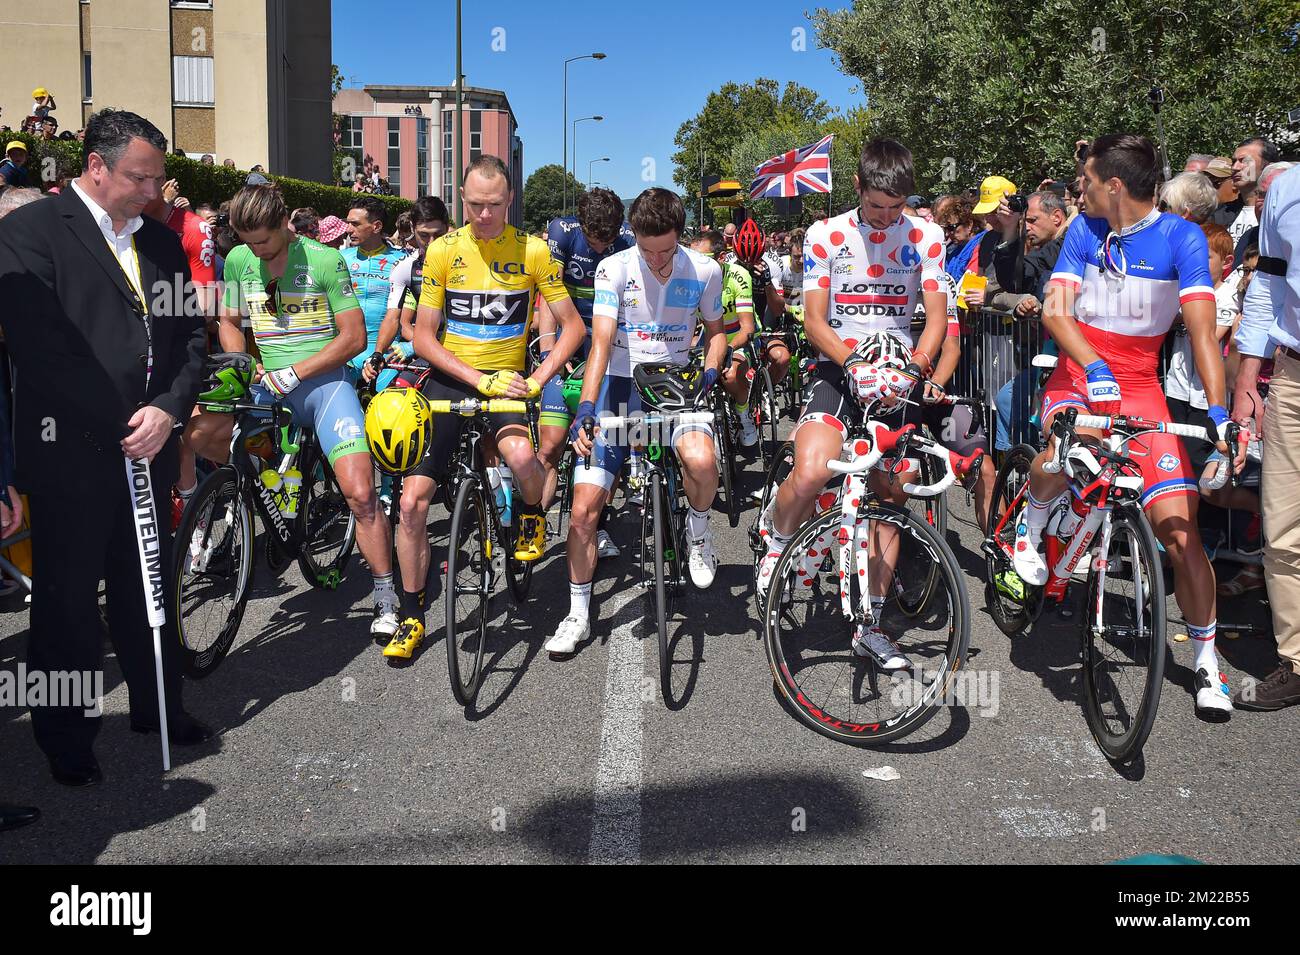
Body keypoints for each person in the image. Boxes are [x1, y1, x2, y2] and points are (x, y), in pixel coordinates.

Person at [0, 108, 211, 787]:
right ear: (95, 166)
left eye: (158, 179)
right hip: (72, 451)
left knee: (146, 582)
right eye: (139, 178)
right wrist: (126, 418)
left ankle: (159, 704)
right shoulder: (31, 232)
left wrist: (168, 410)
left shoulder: (161, 240)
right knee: (65, 600)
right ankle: (65, 736)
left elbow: (189, 339)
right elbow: (41, 350)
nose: (153, 192)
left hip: (146, 445)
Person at [1013, 133, 1240, 718]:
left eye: (1085, 181)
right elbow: (1059, 312)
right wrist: (1093, 365)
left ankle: (1208, 664)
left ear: (1113, 185)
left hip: (1141, 388)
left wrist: (1220, 414)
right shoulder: (1084, 231)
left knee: (1182, 534)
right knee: (1075, 452)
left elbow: (1201, 332)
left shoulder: (1181, 237)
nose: (1077, 190)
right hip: (1078, 375)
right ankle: (1031, 521)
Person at [756, 139, 949, 669]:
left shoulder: (926, 235)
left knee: (889, 494)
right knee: (815, 467)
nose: (887, 219)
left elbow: (934, 319)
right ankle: (777, 541)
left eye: (897, 208)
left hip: (895, 374)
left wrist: (915, 366)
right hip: (837, 365)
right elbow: (813, 318)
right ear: (858, 189)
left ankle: (871, 621)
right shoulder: (827, 234)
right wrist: (852, 363)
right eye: (876, 207)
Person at [184, 184, 399, 642]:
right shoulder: (242, 260)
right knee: (202, 433)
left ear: (284, 223)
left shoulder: (325, 260)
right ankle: (267, 493)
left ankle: (385, 595)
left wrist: (297, 371)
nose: (255, 250)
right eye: (246, 241)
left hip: (323, 385)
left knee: (360, 495)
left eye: (263, 240)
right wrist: (242, 363)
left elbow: (354, 338)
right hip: (270, 384)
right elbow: (229, 320)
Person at [392, 156, 584, 661]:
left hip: (510, 383)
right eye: (475, 205)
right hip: (454, 382)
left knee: (524, 460)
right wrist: (478, 378)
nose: (483, 215)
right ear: (461, 199)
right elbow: (424, 338)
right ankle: (410, 615)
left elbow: (574, 328)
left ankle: (528, 512)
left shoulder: (535, 251)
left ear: (509, 200)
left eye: (494, 205)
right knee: (412, 504)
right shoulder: (441, 251)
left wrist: (538, 379)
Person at [547, 187, 726, 655]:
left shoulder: (705, 270)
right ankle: (578, 613)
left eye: (666, 250)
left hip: (677, 385)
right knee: (585, 510)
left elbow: (717, 333)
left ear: (681, 238)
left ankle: (699, 531)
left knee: (702, 464)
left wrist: (710, 368)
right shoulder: (615, 267)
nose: (656, 260)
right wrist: (586, 408)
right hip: (621, 386)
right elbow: (601, 342)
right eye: (647, 250)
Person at [1232, 163, 1300, 710]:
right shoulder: (1286, 190)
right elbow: (1267, 287)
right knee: (1282, 525)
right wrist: (1246, 377)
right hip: (1293, 375)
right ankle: (1296, 659)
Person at [535, 187, 635, 558]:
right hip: (568, 336)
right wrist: (549, 356)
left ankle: (600, 521)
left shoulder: (625, 239)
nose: (597, 248)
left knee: (606, 440)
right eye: (593, 240)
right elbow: (549, 294)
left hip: (610, 342)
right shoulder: (562, 231)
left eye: (605, 241)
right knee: (550, 444)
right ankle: (534, 521)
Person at [363, 195, 450, 383]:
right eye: (424, 235)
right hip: (430, 349)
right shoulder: (405, 267)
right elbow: (393, 317)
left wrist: (414, 346)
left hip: (464, 348)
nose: (432, 243)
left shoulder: (467, 260)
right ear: (412, 229)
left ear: (448, 227)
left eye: (439, 235)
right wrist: (377, 354)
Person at [691, 229, 758, 446]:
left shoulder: (738, 275)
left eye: (702, 259)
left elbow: (747, 327)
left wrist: (727, 349)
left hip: (738, 336)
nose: (695, 266)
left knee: (729, 375)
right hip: (709, 336)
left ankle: (744, 413)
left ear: (721, 258)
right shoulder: (691, 279)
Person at [341, 195, 409, 384]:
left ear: (376, 226)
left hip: (386, 356)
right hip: (344, 354)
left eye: (355, 224)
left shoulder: (402, 260)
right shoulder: (339, 258)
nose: (348, 229)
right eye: (348, 223)